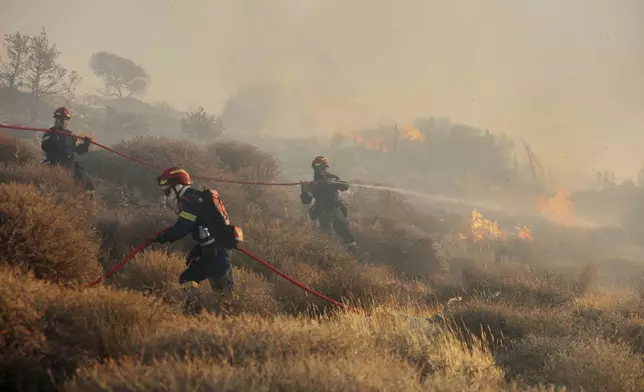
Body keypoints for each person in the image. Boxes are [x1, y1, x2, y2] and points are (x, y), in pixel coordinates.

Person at [146, 167, 243, 314]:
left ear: (177, 187)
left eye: (167, 191)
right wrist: (199, 249)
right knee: (188, 278)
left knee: (225, 296)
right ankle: (195, 311)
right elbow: (198, 227)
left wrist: (160, 238)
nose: (166, 196)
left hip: (217, 254)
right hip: (210, 252)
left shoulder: (191, 201)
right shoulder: (193, 200)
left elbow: (182, 228)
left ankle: (235, 322)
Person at [300, 156, 357, 253]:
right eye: (315, 166)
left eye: (318, 165)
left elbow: (345, 186)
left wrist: (334, 183)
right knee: (326, 233)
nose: (316, 168)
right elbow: (306, 201)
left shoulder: (333, 178)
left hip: (335, 207)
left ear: (324, 167)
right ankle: (327, 253)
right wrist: (304, 190)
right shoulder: (312, 184)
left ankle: (350, 252)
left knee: (343, 229)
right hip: (321, 209)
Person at [41, 106, 95, 195]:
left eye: (65, 119)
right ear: (56, 119)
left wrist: (85, 144)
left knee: (89, 186)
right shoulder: (49, 133)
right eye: (61, 119)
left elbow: (79, 150)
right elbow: (45, 146)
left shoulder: (70, 135)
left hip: (70, 165)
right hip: (54, 164)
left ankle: (88, 205)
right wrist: (53, 138)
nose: (63, 121)